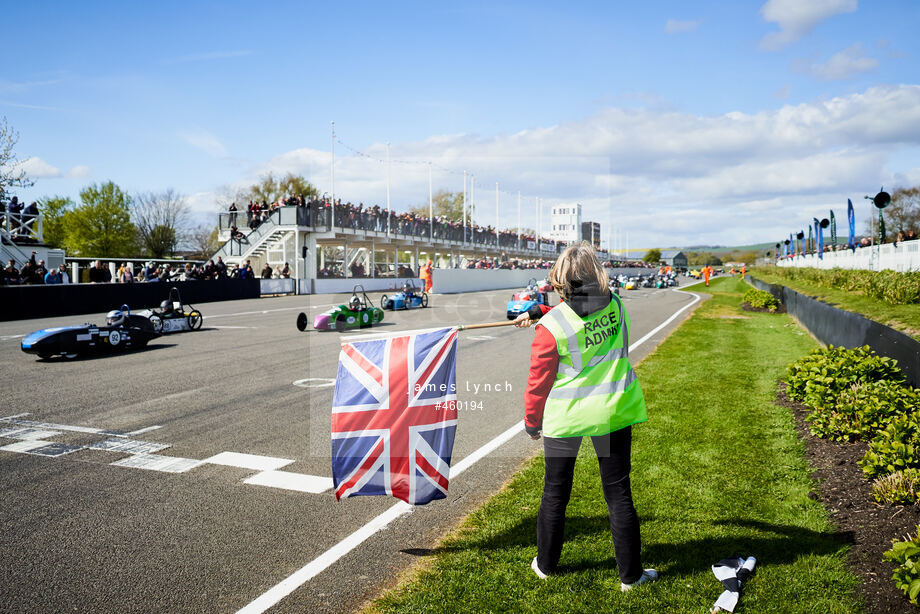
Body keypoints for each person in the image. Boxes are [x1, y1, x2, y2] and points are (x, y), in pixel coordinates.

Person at [512, 242, 657, 590]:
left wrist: (532, 421)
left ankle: (546, 565)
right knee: (618, 493)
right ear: (596, 273)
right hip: (612, 412)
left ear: (561, 277)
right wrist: (538, 311)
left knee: (556, 492)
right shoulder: (618, 306)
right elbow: (586, 310)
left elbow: (538, 381)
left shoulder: (551, 327)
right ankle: (631, 577)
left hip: (568, 418)